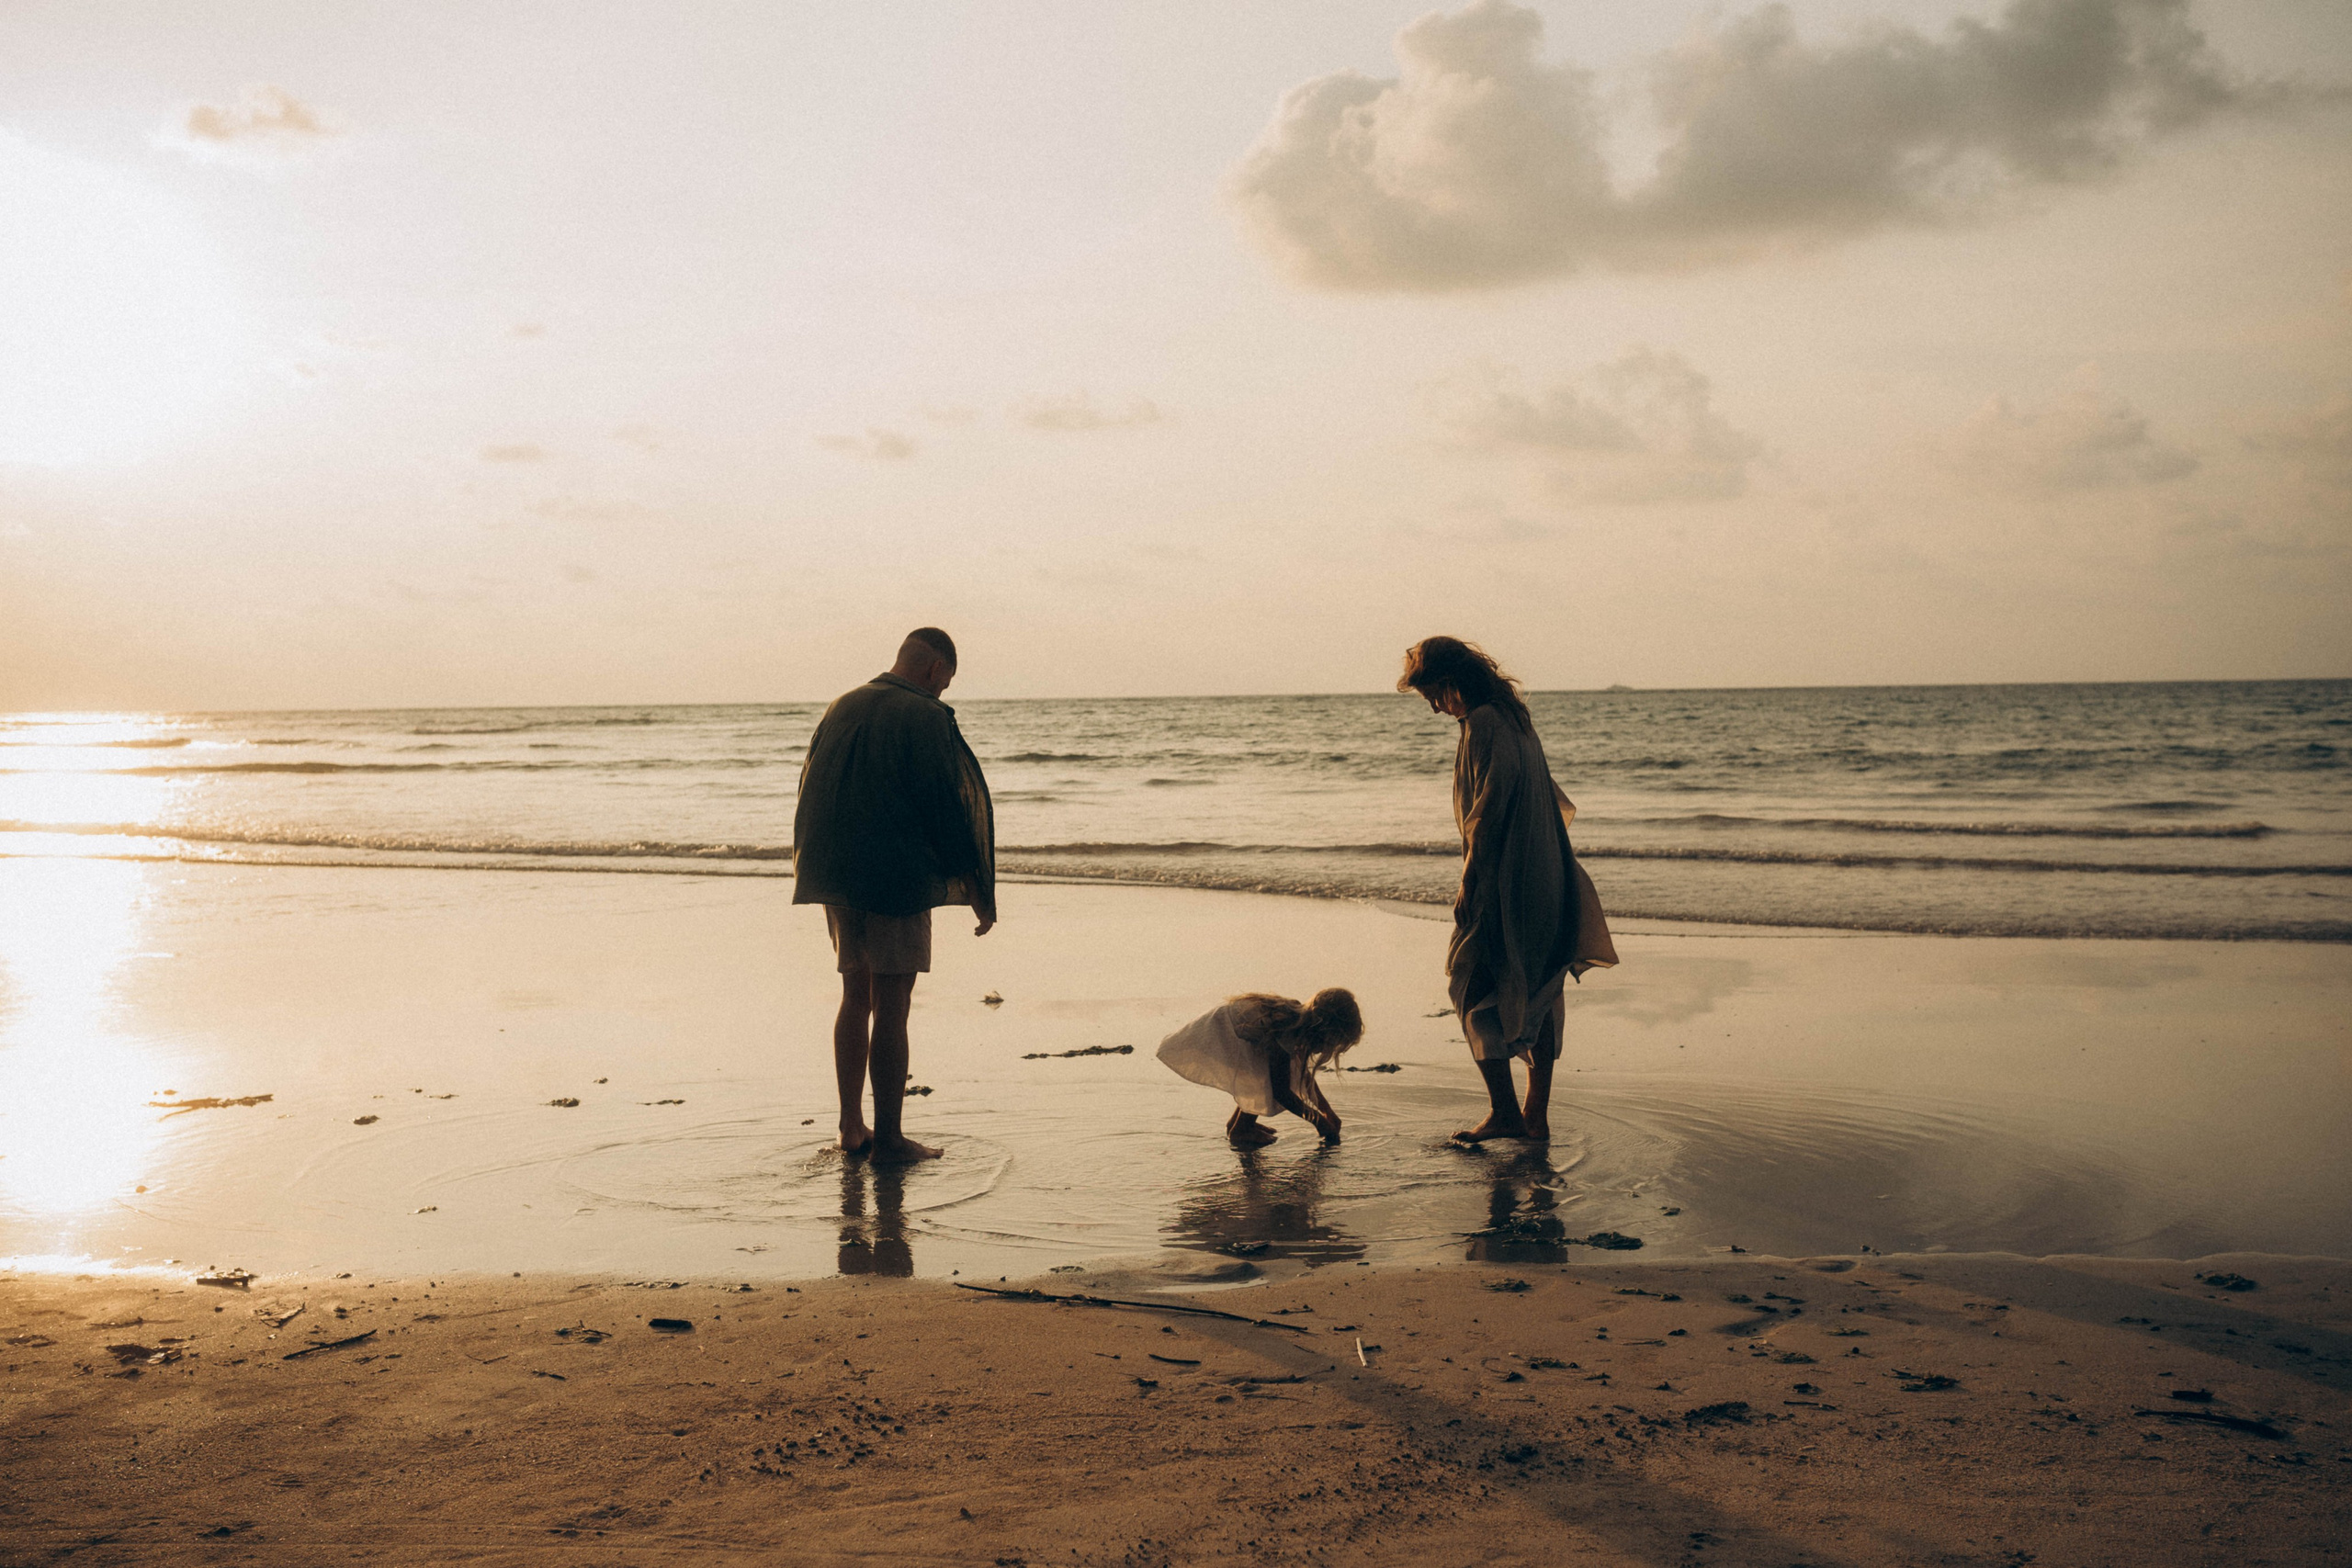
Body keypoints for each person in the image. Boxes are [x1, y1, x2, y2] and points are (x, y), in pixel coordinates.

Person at [1397, 636, 1616, 1145]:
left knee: (1469, 982)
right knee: (1540, 988)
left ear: (1452, 682)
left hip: (1508, 877)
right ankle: (1534, 1115)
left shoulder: (1483, 722)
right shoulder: (1515, 718)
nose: (1434, 708)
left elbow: (1488, 813)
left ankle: (1505, 1112)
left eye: (1433, 695)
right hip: (1546, 873)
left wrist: (1469, 880)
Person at [792, 627, 995, 1164]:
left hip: (835, 870)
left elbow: (809, 785)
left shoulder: (841, 705)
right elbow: (945, 805)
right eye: (945, 683)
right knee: (893, 1003)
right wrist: (975, 884)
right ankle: (889, 1140)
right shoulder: (925, 714)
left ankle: (850, 1126)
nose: (942, 692)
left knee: (855, 995)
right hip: (895, 874)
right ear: (935, 669)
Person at [1157, 989, 1362, 1146]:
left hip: (1226, 1028)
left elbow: (1303, 1075)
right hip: (1221, 1036)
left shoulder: (1296, 1020)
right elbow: (1281, 1092)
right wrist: (1318, 1121)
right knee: (1270, 1078)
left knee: (1271, 1072)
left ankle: (1239, 1125)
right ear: (1323, 1030)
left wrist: (1327, 1111)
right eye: (1332, 1042)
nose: (1327, 1049)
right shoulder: (1286, 1029)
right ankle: (1241, 1131)